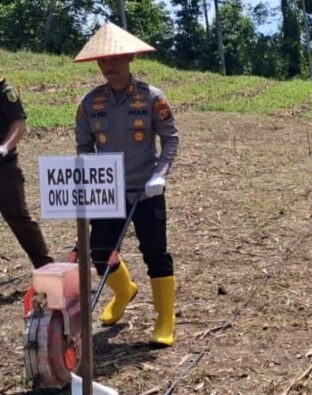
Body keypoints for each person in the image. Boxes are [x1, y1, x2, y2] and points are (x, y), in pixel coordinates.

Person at [73, 23, 179, 346]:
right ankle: (123, 293)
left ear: (131, 57)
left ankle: (164, 320)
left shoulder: (151, 98)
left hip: (147, 191)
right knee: (100, 252)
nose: (110, 65)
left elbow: (170, 139)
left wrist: (160, 174)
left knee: (155, 253)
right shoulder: (89, 104)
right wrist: (89, 181)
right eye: (103, 60)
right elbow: (83, 148)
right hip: (108, 192)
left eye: (116, 58)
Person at [0, 77, 54, 269]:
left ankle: (46, 268)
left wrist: (4, 148)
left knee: (19, 219)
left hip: (3, 168)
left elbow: (19, 125)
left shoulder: (4, 91)